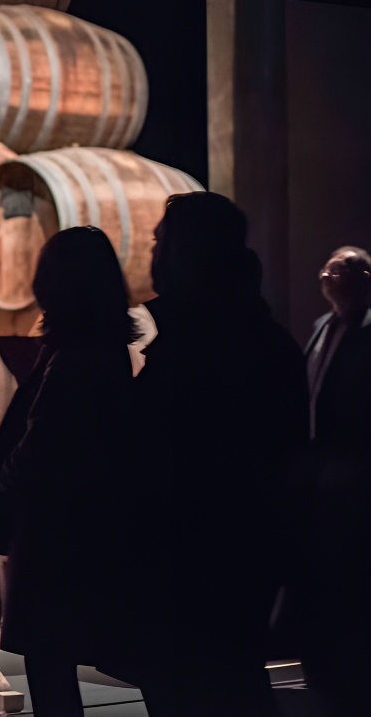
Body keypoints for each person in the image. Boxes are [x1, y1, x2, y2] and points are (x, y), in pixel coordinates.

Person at [126, 192, 307, 717]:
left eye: (162, 239)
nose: (153, 249)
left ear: (187, 250)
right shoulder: (260, 338)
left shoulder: (200, 347)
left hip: (198, 561)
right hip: (230, 559)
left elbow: (170, 457)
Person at [0, 227, 139, 717]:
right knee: (53, 662)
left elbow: (43, 439)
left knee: (49, 665)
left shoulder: (76, 355)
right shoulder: (105, 347)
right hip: (76, 526)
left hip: (54, 532)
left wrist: (8, 484)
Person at [293, 246, 371, 714]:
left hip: (357, 472)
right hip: (320, 472)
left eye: (340, 270)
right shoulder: (324, 325)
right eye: (328, 269)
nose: (328, 275)